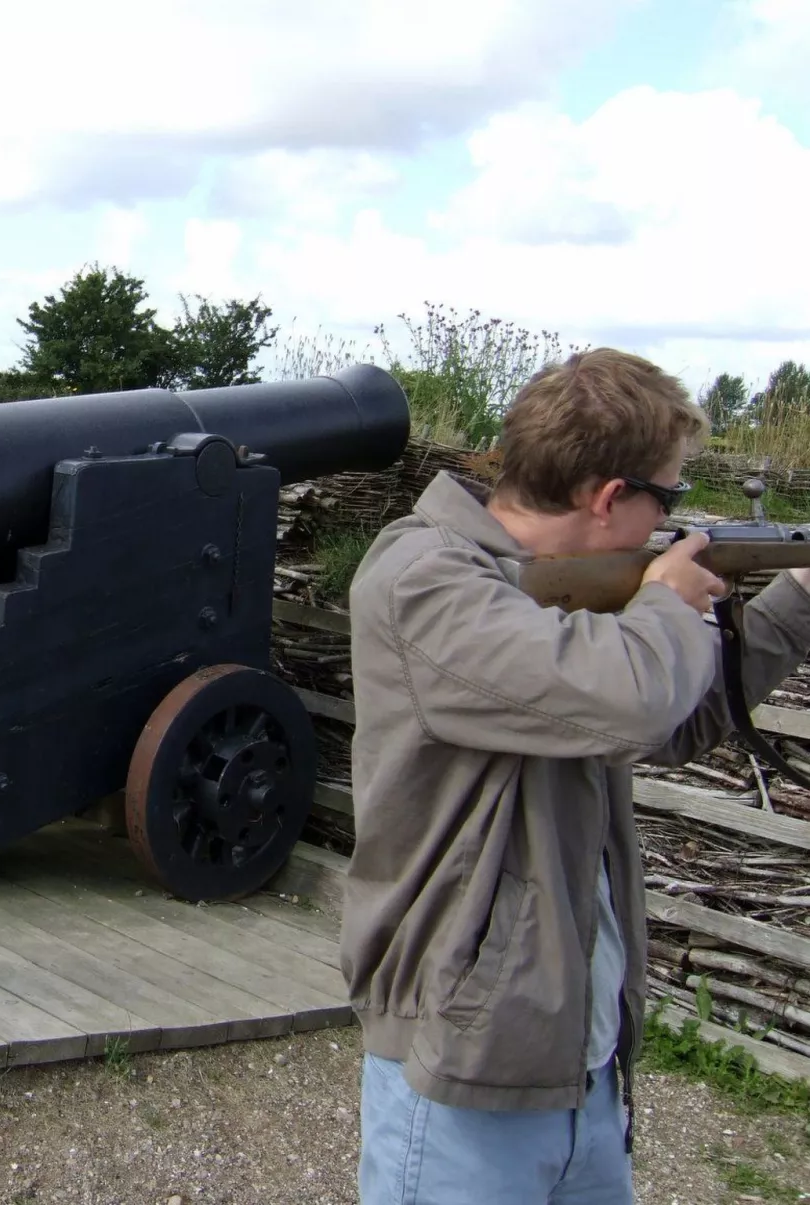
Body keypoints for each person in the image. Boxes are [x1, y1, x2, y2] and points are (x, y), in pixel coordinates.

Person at [341, 348, 810, 1202]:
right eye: (667, 498)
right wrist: (664, 601)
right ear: (609, 497)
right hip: (461, 1073)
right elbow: (633, 697)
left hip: (578, 1063)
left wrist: (799, 592)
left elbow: (678, 717)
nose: (671, 520)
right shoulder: (426, 580)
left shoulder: (573, 608)